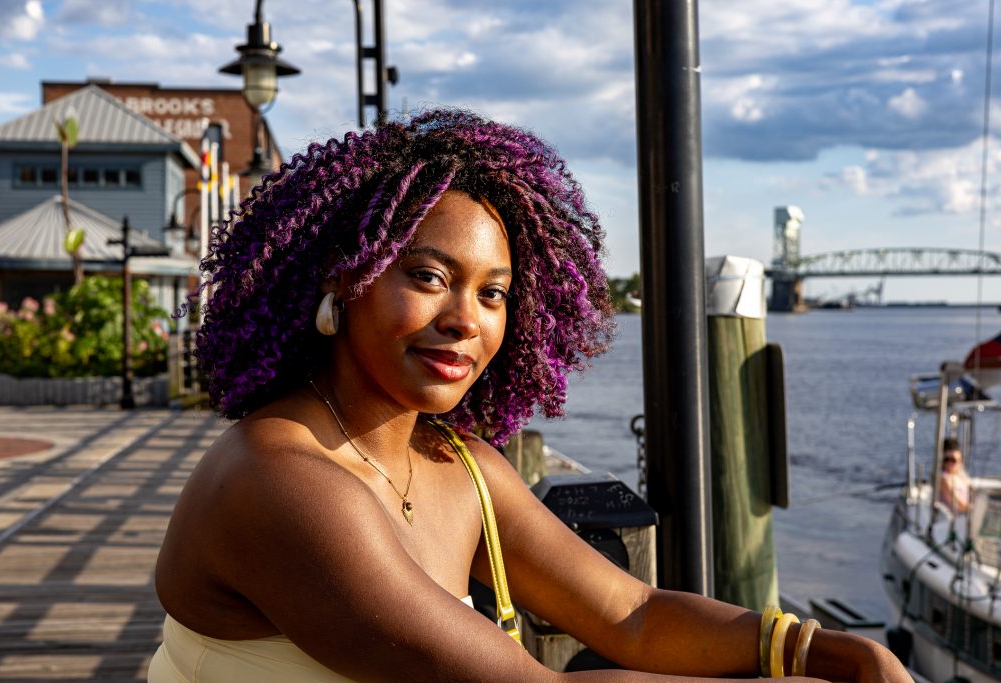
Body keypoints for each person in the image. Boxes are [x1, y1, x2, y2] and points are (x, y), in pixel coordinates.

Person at [148, 109, 911, 682]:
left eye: (493, 293)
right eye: (429, 277)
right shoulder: (280, 481)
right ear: (346, 277)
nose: (464, 321)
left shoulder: (458, 465)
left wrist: (815, 646)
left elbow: (632, 615)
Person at [938, 437, 971, 514]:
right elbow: (959, 503)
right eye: (946, 459)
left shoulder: (960, 474)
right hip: (955, 518)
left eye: (953, 460)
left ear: (959, 460)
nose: (949, 463)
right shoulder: (944, 478)